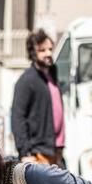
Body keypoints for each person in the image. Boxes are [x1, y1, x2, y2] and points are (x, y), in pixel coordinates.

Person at [10, 29, 65, 167]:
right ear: (33, 53)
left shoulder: (53, 73)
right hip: (38, 152)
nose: (48, 54)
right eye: (42, 50)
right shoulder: (27, 80)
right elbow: (18, 117)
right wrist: (24, 153)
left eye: (50, 49)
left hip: (56, 150)